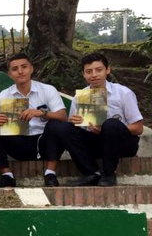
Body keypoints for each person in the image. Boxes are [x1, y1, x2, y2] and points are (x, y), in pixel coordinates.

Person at [44, 53, 144, 187]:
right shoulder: (79, 97)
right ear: (84, 74)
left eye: (99, 70)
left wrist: (106, 130)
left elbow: (138, 128)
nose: (94, 75)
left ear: (108, 70)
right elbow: (73, 130)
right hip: (93, 142)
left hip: (120, 144)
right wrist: (75, 122)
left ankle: (109, 173)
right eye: (89, 71)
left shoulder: (123, 93)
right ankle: (90, 172)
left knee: (111, 125)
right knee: (61, 127)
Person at [0, 53, 67, 187]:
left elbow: (63, 116)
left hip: (45, 142)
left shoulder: (47, 90)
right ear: (10, 74)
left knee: (57, 125)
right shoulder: (5, 94)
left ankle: (50, 173)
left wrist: (41, 113)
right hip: (19, 143)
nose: (20, 71)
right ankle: (7, 176)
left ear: (31, 69)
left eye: (24, 67)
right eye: (15, 69)